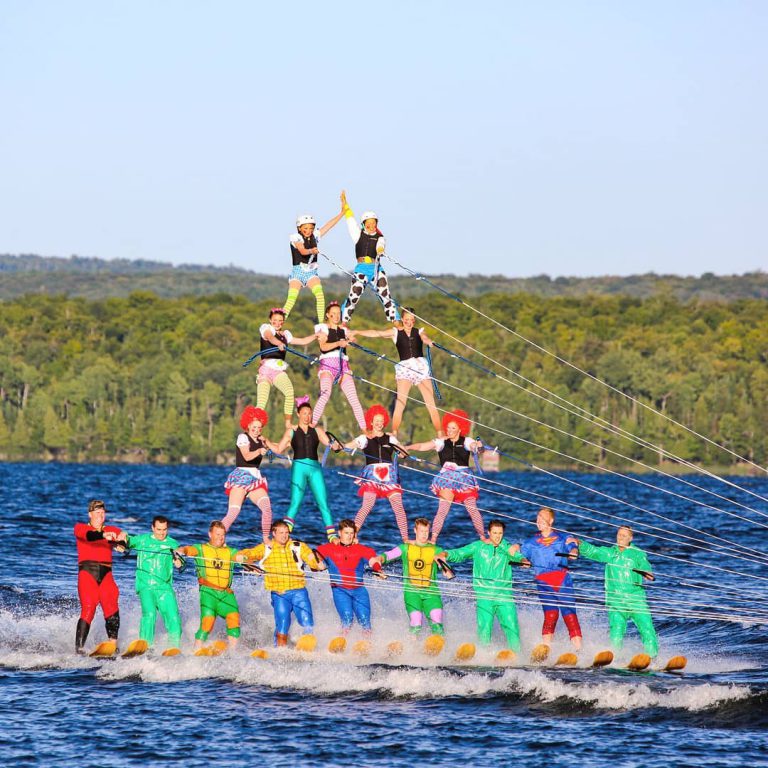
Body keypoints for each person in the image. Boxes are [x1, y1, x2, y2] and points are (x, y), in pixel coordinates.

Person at [569, 526, 658, 657]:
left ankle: (652, 657)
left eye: (624, 535)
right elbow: (594, 551)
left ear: (630, 538)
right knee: (616, 631)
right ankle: (614, 659)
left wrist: (647, 572)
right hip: (616, 600)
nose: (620, 537)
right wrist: (580, 543)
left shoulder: (638, 553)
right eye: (619, 535)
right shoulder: (611, 553)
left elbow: (645, 565)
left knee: (647, 629)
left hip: (636, 599)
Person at [437, 520, 525, 651]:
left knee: (512, 626)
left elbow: (519, 557)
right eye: (494, 533)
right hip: (484, 596)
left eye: (500, 533)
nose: (497, 536)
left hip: (504, 596)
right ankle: (484, 656)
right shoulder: (478, 547)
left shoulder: (507, 547)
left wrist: (524, 561)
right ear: (489, 533)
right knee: (484, 629)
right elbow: (460, 553)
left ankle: (517, 655)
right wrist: (445, 554)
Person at [354, 307, 441, 434]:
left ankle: (439, 433)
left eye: (412, 320)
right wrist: (357, 331)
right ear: (402, 320)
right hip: (405, 369)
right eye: (406, 320)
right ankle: (394, 432)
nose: (409, 323)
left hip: (421, 367)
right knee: (401, 402)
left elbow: (425, 338)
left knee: (430, 403)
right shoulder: (395, 332)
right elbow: (377, 333)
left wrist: (429, 342)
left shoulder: (419, 331)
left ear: (414, 320)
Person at [239, 520, 326, 646]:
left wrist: (318, 565)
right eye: (281, 533)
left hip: (299, 591)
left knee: (307, 619)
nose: (284, 535)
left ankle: (308, 645)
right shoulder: (266, 548)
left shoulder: (297, 546)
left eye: (286, 532)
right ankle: (279, 649)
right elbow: (250, 554)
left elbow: (310, 557)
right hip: (280, 594)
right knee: (283, 623)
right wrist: (243, 557)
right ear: (273, 533)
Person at [406, 409, 485, 542]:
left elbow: (474, 447)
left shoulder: (466, 441)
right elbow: (422, 446)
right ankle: (433, 539)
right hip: (446, 479)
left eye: (453, 428)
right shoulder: (441, 442)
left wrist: (478, 446)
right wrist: (408, 447)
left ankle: (483, 537)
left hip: (464, 478)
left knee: (473, 509)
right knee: (442, 510)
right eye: (448, 427)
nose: (449, 430)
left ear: (460, 429)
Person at [511, 507, 582, 651]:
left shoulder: (563, 538)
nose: (538, 521)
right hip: (543, 582)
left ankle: (579, 650)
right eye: (537, 518)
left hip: (561, 580)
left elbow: (573, 546)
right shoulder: (531, 542)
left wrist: (574, 551)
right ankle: (546, 649)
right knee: (551, 615)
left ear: (551, 521)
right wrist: (518, 552)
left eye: (542, 518)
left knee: (569, 614)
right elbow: (521, 553)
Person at [274, 396, 342, 542]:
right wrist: (265, 442)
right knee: (295, 502)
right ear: (298, 414)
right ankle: (283, 534)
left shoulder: (317, 430)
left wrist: (336, 446)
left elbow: (330, 444)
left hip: (315, 469)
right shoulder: (291, 432)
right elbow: (279, 449)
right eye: (304, 413)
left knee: (323, 502)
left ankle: (332, 536)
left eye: (309, 413)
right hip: (299, 468)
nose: (307, 416)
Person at [177, 521, 248, 651]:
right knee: (208, 622)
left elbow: (239, 556)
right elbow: (188, 550)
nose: (220, 538)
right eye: (217, 534)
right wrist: (180, 551)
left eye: (223, 535)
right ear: (210, 534)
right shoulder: (201, 549)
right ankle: (196, 651)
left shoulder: (230, 551)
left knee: (234, 619)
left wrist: (243, 558)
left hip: (226, 594)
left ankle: (233, 653)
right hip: (208, 592)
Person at [344, 404, 409, 542]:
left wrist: (401, 450)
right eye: (376, 421)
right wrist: (339, 446)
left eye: (381, 421)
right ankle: (353, 536)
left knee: (398, 507)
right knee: (367, 504)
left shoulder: (390, 439)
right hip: (372, 475)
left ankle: (406, 539)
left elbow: (404, 454)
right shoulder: (364, 438)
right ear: (371, 422)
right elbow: (348, 446)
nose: (379, 424)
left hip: (390, 475)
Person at [222, 405, 287, 540]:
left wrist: (269, 442)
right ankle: (218, 538)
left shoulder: (261, 440)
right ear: (248, 425)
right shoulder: (242, 437)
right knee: (233, 512)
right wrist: (258, 451)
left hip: (255, 480)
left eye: (259, 427)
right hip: (241, 477)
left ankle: (266, 539)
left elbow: (278, 449)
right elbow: (246, 456)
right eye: (254, 427)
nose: (257, 430)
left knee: (267, 508)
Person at [372, 517, 445, 636]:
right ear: (415, 531)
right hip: (412, 592)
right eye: (421, 531)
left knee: (436, 621)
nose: (424, 535)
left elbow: (445, 568)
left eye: (427, 532)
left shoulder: (437, 550)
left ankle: (441, 647)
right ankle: (413, 648)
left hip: (432, 592)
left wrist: (445, 568)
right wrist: (379, 560)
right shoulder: (405, 548)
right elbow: (388, 555)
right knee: (416, 621)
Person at [123, 515, 184, 652]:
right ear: (152, 528)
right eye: (158, 529)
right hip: (146, 586)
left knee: (174, 617)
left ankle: (173, 649)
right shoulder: (143, 540)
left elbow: (182, 563)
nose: (162, 533)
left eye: (164, 529)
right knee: (149, 614)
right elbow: (127, 542)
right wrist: (122, 538)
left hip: (164, 588)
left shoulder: (173, 544)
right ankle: (145, 646)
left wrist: (179, 562)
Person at [339, 191, 400, 325]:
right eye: (369, 223)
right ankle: (343, 321)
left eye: (374, 223)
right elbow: (350, 220)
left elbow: (381, 244)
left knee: (385, 295)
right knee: (354, 295)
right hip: (361, 269)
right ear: (364, 223)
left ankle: (396, 321)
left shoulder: (380, 237)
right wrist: (345, 204)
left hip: (376, 269)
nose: (372, 226)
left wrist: (380, 250)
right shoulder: (357, 234)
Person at [315, 519, 384, 637]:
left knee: (365, 621)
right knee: (347, 618)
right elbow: (313, 557)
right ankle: (342, 641)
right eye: (346, 533)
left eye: (352, 533)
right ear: (339, 533)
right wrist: (316, 565)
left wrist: (378, 570)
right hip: (340, 590)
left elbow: (373, 561)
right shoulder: (328, 548)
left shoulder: (362, 549)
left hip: (359, 591)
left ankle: (366, 645)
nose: (349, 536)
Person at [282, 195, 346, 322]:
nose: (309, 231)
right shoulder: (296, 237)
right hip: (298, 272)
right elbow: (302, 250)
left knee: (320, 296)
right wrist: (312, 250)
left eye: (311, 228)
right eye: (305, 228)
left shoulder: (315, 236)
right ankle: (278, 324)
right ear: (299, 228)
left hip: (311, 272)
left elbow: (329, 225)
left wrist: (342, 213)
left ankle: (321, 324)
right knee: (291, 299)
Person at [74, 499, 124, 653]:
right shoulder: (80, 528)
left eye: (103, 513)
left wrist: (122, 541)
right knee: (89, 608)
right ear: (90, 514)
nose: (100, 516)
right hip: (87, 573)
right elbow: (90, 536)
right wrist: (104, 535)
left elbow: (123, 537)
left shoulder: (112, 529)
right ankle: (79, 649)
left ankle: (112, 645)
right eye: (97, 513)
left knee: (112, 606)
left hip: (107, 573)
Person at [256, 308, 317, 428]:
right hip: (266, 369)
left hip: (278, 370)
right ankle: (254, 425)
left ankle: (288, 423)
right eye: (275, 321)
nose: (277, 323)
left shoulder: (285, 335)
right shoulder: (267, 329)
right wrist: (278, 343)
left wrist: (316, 336)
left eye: (280, 321)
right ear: (270, 320)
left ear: (283, 322)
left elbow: (303, 341)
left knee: (289, 393)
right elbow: (269, 337)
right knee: (261, 403)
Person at [312, 300, 366, 431]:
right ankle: (311, 425)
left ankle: (365, 429)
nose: (336, 316)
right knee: (325, 394)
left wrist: (352, 339)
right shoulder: (323, 329)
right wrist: (338, 344)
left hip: (343, 367)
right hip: (328, 366)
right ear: (328, 315)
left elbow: (354, 339)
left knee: (354, 400)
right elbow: (323, 347)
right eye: (333, 314)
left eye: (338, 314)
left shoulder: (344, 330)